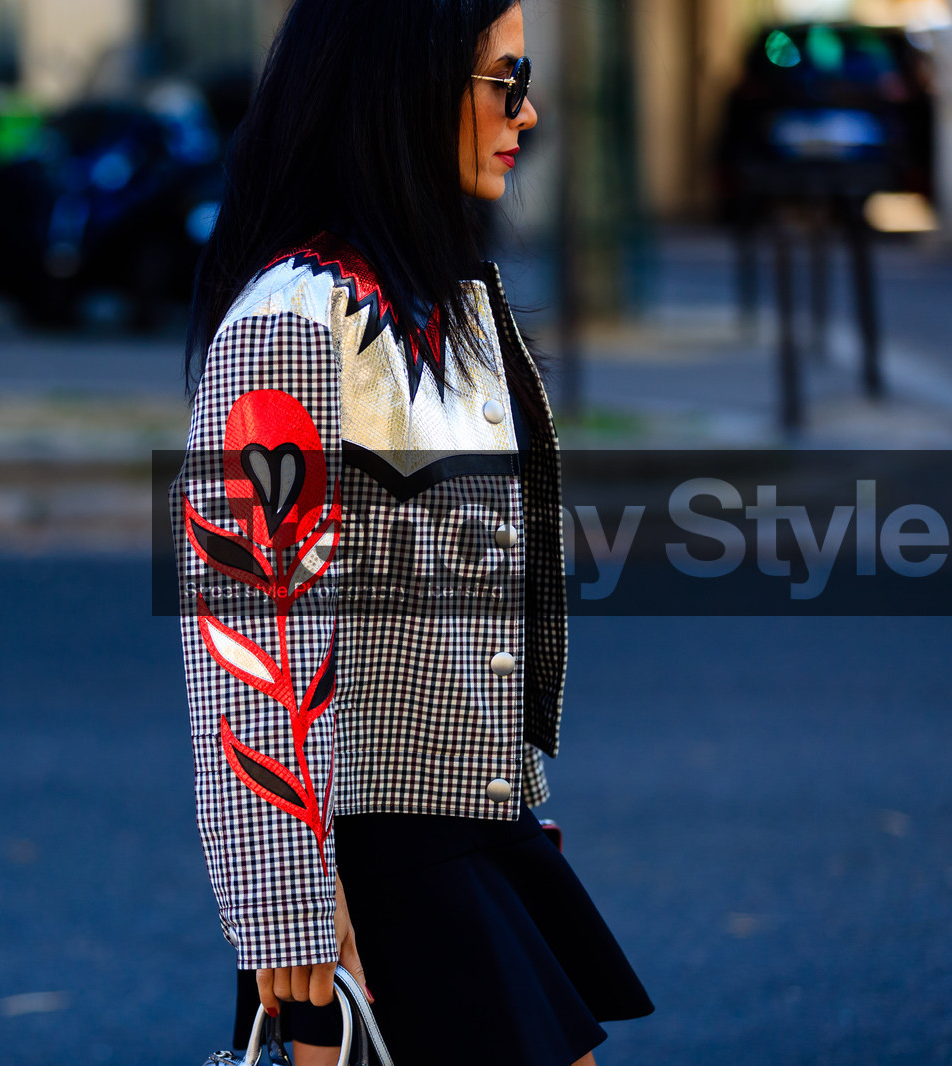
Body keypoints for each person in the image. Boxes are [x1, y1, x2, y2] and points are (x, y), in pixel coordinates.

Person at [172, 2, 655, 1063]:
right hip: (378, 861)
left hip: (468, 834)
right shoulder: (295, 322)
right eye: (500, 79)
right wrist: (286, 902)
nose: (523, 113)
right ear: (402, 90)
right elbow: (250, 621)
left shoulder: (442, 306)